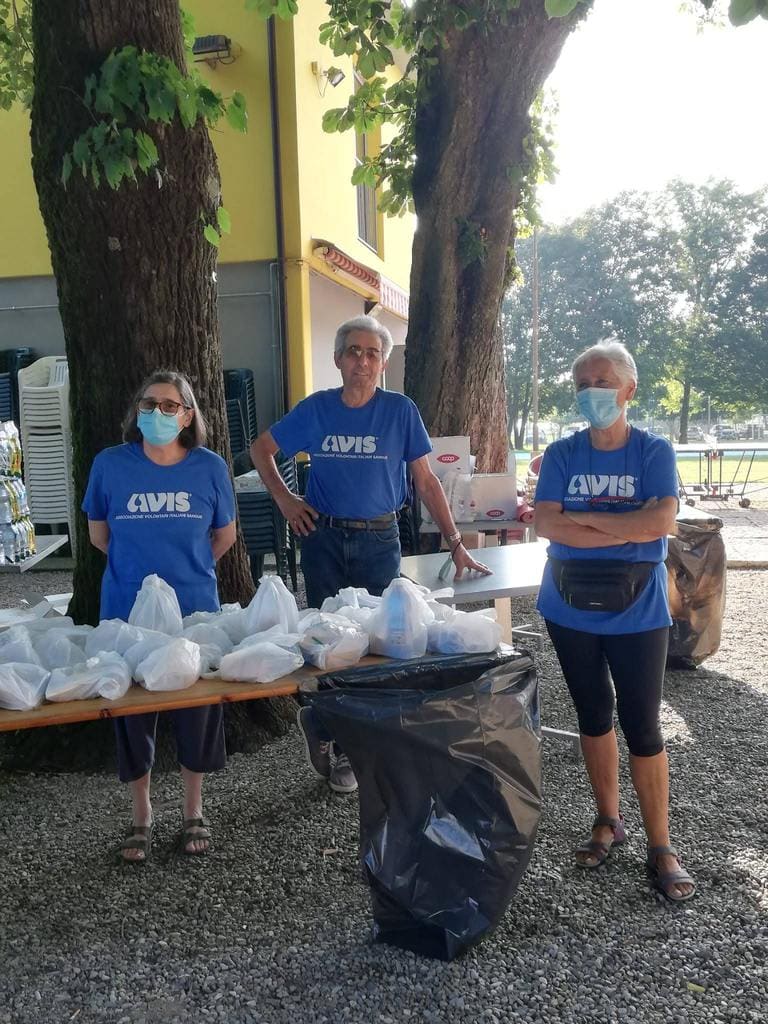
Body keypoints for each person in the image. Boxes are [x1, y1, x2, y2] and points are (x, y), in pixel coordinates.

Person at [250, 314, 491, 794]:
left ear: (383, 364)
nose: (363, 360)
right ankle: (332, 737)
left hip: (380, 540)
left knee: (385, 641)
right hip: (322, 538)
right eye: (354, 351)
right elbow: (261, 450)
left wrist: (456, 543)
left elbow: (426, 481)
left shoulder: (400, 411)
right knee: (326, 641)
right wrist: (286, 499)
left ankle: (369, 742)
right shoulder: (317, 409)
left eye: (373, 353)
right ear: (338, 359)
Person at [533, 340, 696, 902]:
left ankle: (661, 844)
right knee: (593, 713)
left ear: (629, 389)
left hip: (638, 609)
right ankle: (608, 819)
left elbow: (662, 521)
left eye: (602, 382)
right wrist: (626, 525)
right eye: (582, 384)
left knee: (643, 723)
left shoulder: (653, 451)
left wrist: (584, 520)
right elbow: (546, 525)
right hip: (568, 604)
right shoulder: (562, 453)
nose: (591, 393)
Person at [83, 370, 236, 862]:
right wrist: (140, 578)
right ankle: (141, 813)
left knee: (197, 708)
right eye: (149, 404)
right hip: (126, 610)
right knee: (132, 711)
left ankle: (194, 808)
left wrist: (187, 574)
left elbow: (225, 536)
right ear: (137, 411)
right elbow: (98, 535)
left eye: (170, 405)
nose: (157, 413)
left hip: (194, 610)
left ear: (188, 416)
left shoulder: (210, 467)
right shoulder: (110, 464)